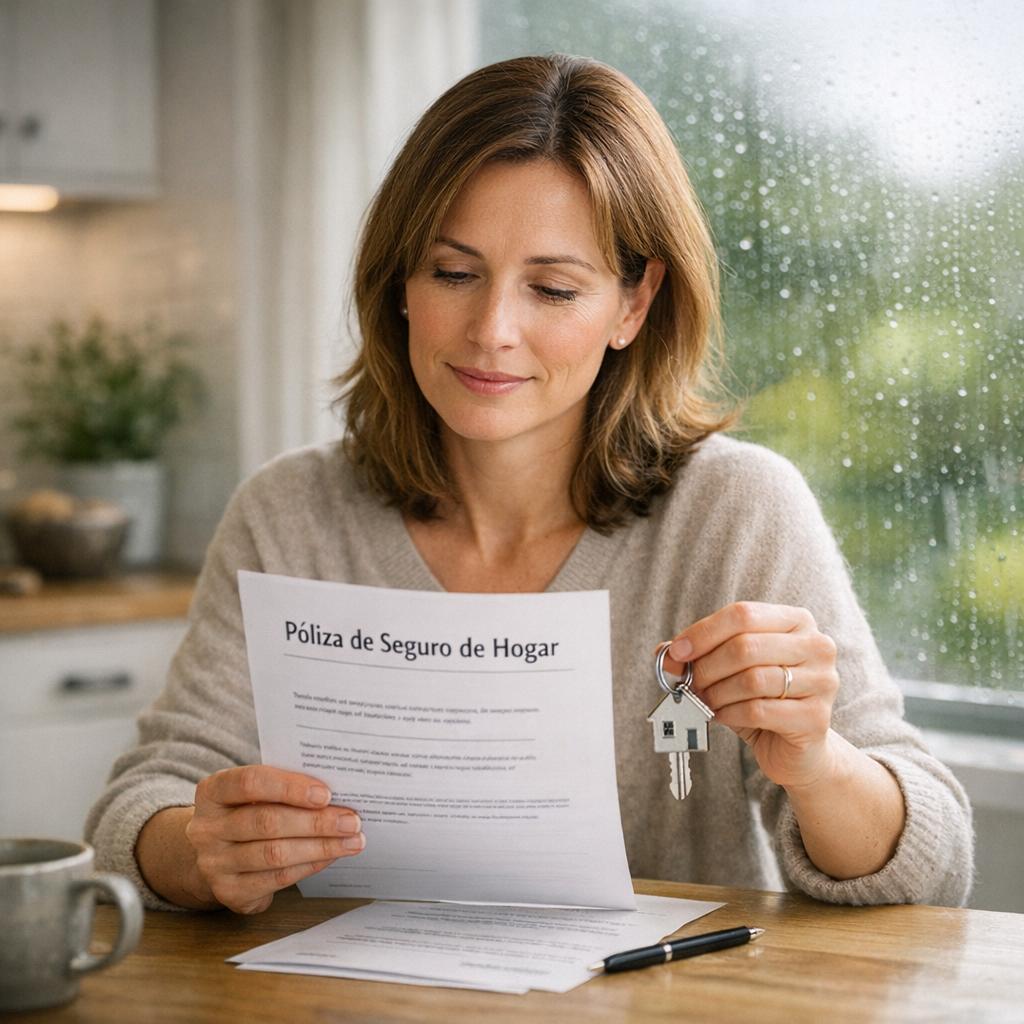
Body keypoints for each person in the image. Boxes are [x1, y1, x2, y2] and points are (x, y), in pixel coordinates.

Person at [85, 54, 973, 914]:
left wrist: (817, 763)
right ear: (399, 283)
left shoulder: (736, 511)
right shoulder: (289, 513)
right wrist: (200, 851)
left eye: (551, 288)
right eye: (454, 273)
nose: (492, 330)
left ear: (632, 304)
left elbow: (929, 870)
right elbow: (143, 803)